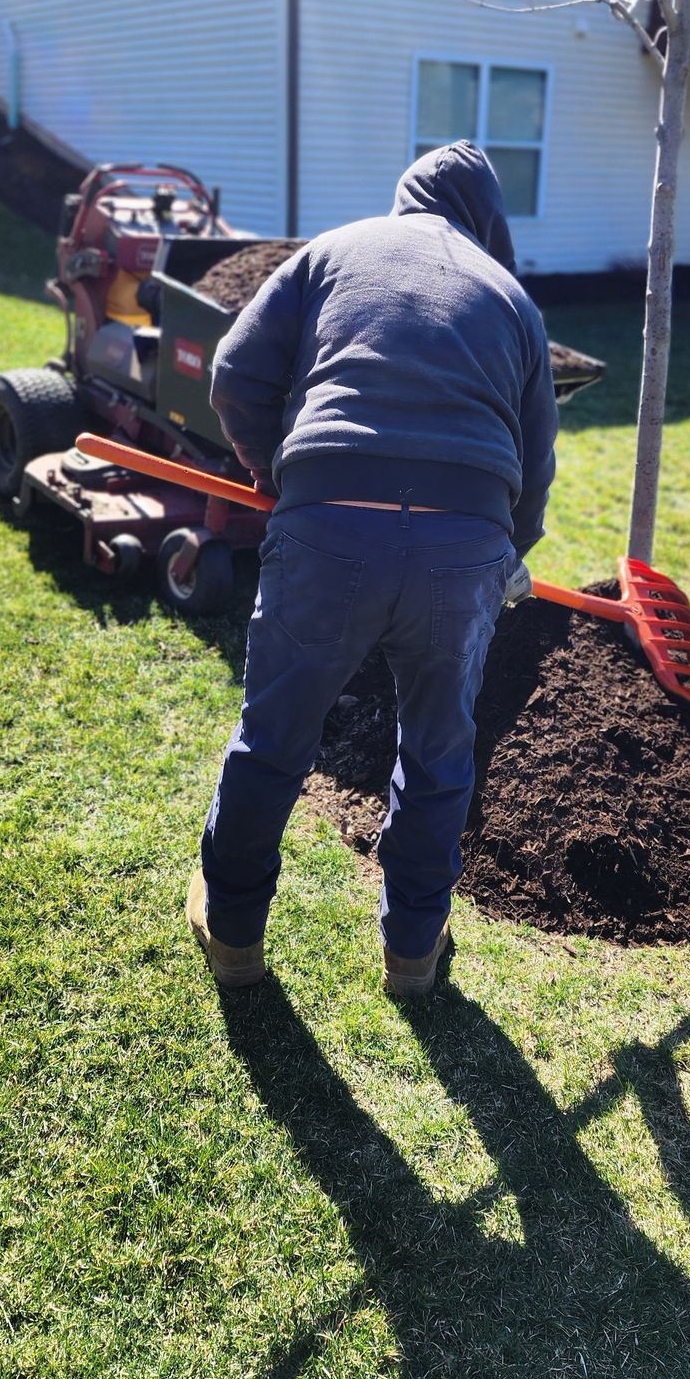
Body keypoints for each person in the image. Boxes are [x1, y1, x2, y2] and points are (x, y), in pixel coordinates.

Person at [185, 140, 559, 997]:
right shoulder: (512, 298)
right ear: (486, 218)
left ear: (405, 196)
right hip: (463, 547)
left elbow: (236, 372)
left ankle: (235, 934)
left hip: (329, 526)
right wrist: (511, 551)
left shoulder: (334, 250)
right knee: (438, 756)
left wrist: (281, 472)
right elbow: (536, 469)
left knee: (275, 737)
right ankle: (414, 955)